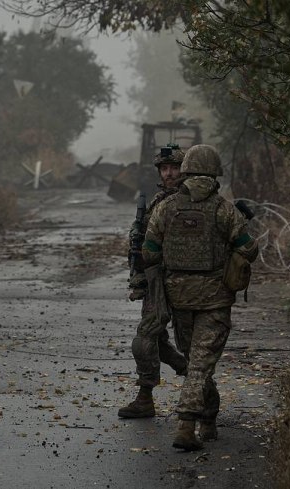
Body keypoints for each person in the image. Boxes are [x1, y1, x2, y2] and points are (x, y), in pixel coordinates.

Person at [142, 144, 259, 451]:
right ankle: (186, 423)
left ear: (187, 170)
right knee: (199, 366)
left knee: (197, 363)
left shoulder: (164, 208)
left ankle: (208, 418)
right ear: (215, 172)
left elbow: (149, 251)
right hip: (214, 301)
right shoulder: (224, 209)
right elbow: (250, 248)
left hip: (179, 300)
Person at [118, 145, 188, 419]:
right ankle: (146, 396)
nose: (169, 173)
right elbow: (142, 245)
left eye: (174, 167)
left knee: (178, 341)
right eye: (164, 168)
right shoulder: (159, 200)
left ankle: (201, 391)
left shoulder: (192, 199)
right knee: (151, 338)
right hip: (156, 280)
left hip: (185, 282)